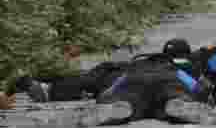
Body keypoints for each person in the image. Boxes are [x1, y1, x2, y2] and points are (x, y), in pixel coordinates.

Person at [14, 38, 195, 103]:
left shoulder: (159, 58)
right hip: (127, 78)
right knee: (90, 85)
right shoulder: (187, 65)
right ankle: (47, 90)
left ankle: (45, 85)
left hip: (123, 71)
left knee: (87, 79)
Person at [76, 50, 216, 128]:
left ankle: (119, 105)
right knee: (171, 98)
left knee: (129, 99)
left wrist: (103, 99)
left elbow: (109, 91)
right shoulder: (175, 69)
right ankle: (178, 102)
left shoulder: (131, 68)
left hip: (134, 79)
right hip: (168, 80)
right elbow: (198, 89)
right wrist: (206, 98)